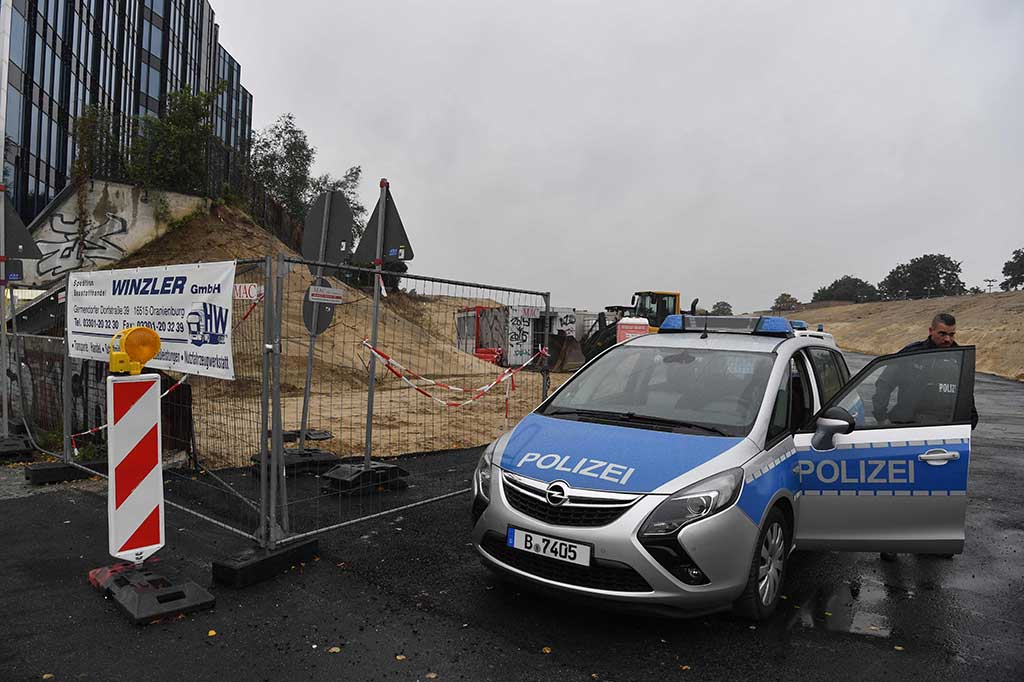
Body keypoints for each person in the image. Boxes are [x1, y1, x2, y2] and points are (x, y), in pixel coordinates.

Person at [874, 312, 978, 562]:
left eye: (952, 334)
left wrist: (969, 422)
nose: (947, 339)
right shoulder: (913, 353)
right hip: (908, 429)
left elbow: (967, 395)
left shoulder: (958, 358)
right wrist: (881, 415)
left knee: (938, 491)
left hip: (943, 434)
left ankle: (933, 542)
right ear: (930, 330)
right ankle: (891, 542)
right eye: (942, 333)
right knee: (901, 490)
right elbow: (885, 382)